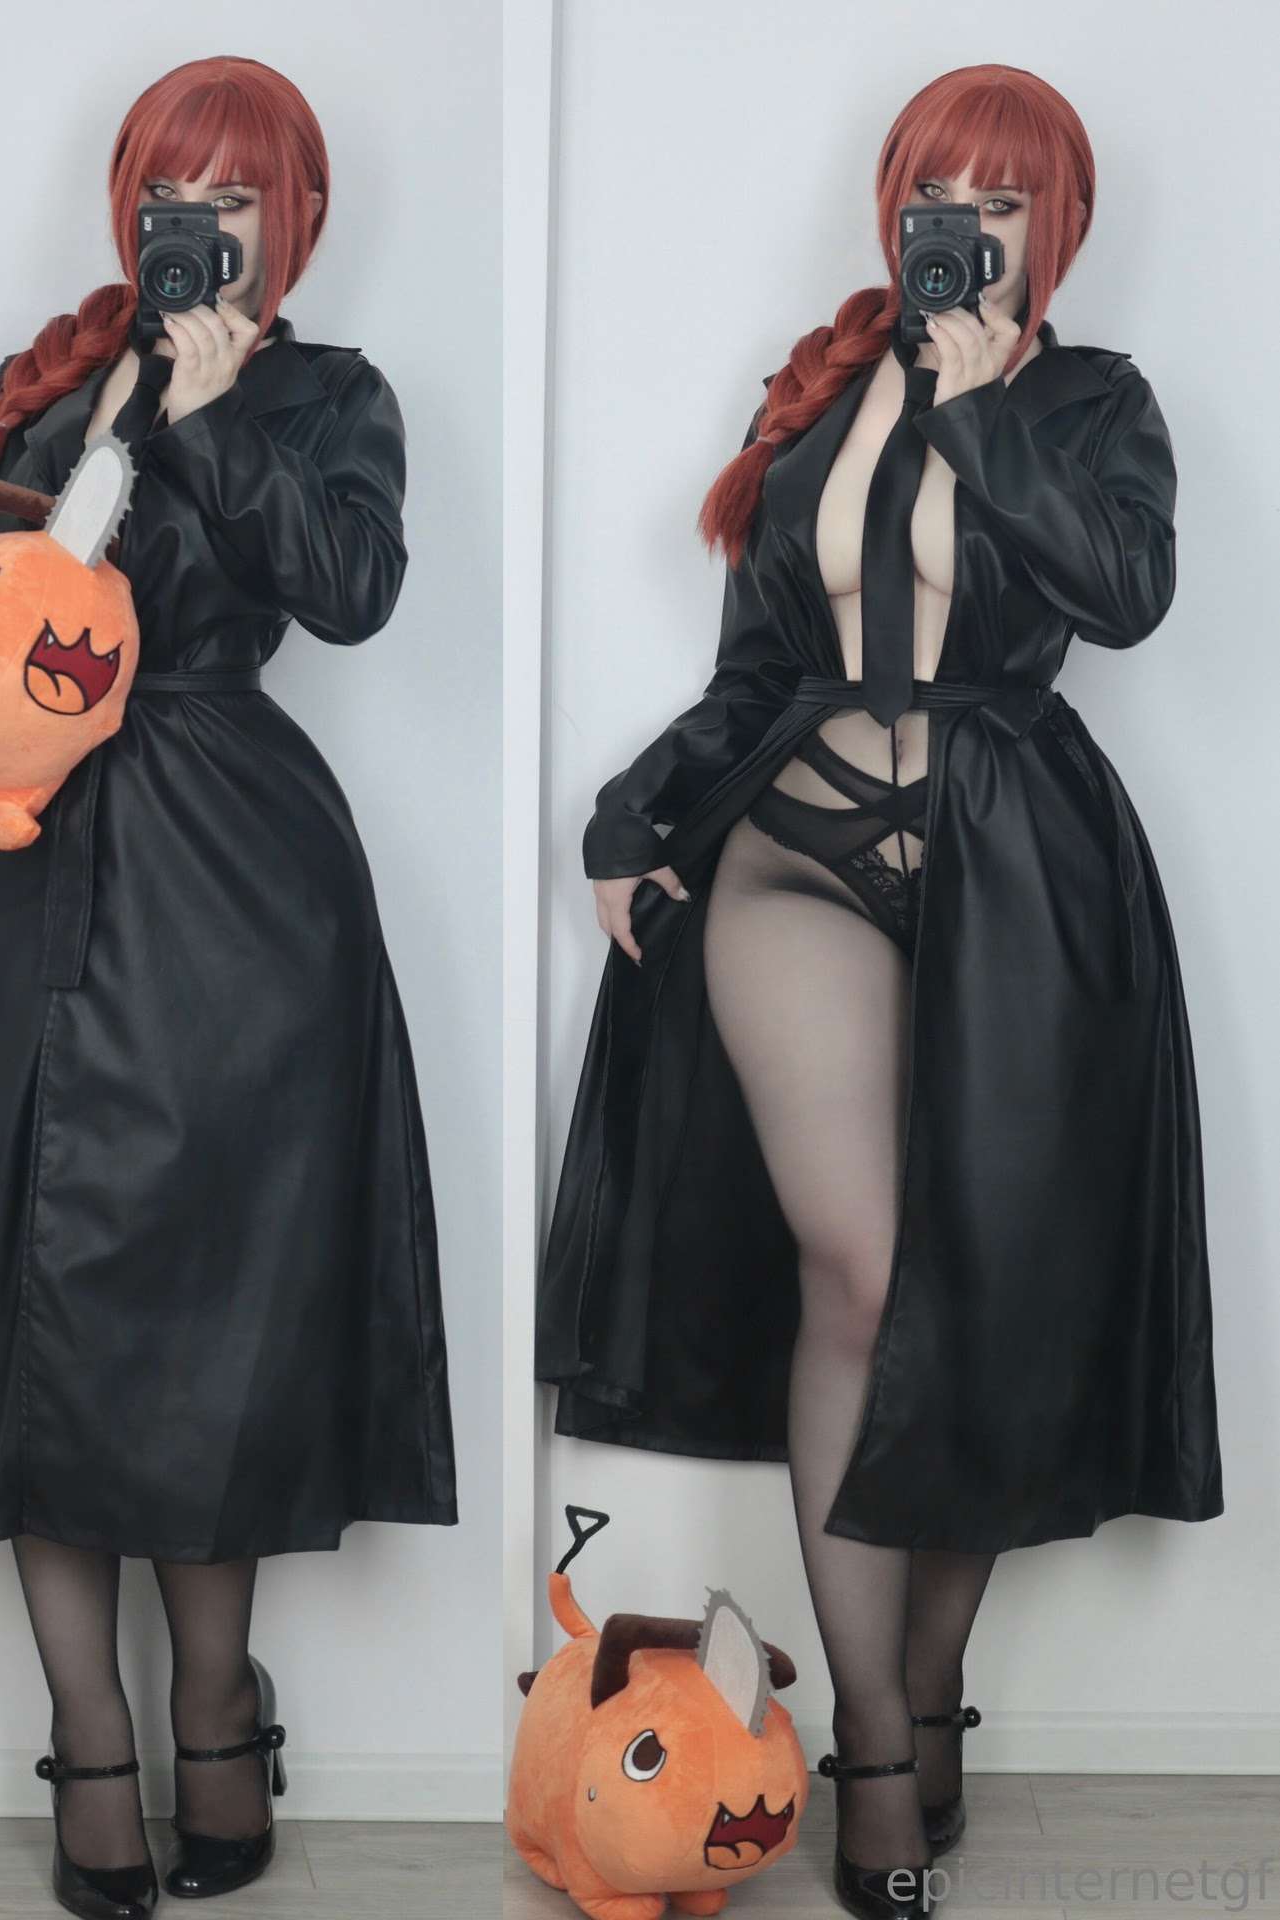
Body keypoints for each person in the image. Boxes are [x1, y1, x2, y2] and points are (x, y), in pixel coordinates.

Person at [536, 63, 1222, 1920]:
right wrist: (628, 814)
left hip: (1020, 864)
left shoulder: (1090, 401)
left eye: (1002, 202)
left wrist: (985, 406)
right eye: (939, 195)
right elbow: (756, 670)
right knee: (860, 1265)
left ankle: (927, 1691)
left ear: (1054, 228)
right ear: (893, 210)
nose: (964, 229)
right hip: (797, 856)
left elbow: (1124, 594)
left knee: (977, 1284)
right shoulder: (820, 396)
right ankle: (869, 1742)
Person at [0, 54, 457, 1920]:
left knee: (201, 1315)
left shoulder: (329, 393)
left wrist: (218, 410)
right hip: (11, 897)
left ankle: (215, 1706)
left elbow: (352, 591)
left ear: (292, 218)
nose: (198, 226)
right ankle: (89, 1740)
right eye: (174, 194)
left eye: (234, 196)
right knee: (30, 1305)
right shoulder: (38, 382)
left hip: (231, 889)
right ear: (129, 208)